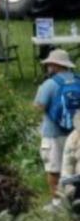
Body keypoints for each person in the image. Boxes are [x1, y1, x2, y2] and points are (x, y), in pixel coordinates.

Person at [33, 49, 78, 200]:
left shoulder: (49, 84)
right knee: (74, 172)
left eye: (50, 64)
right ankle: (74, 203)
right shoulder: (78, 80)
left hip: (53, 135)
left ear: (56, 65)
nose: (48, 67)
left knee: (54, 171)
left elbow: (38, 108)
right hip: (76, 134)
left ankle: (58, 204)